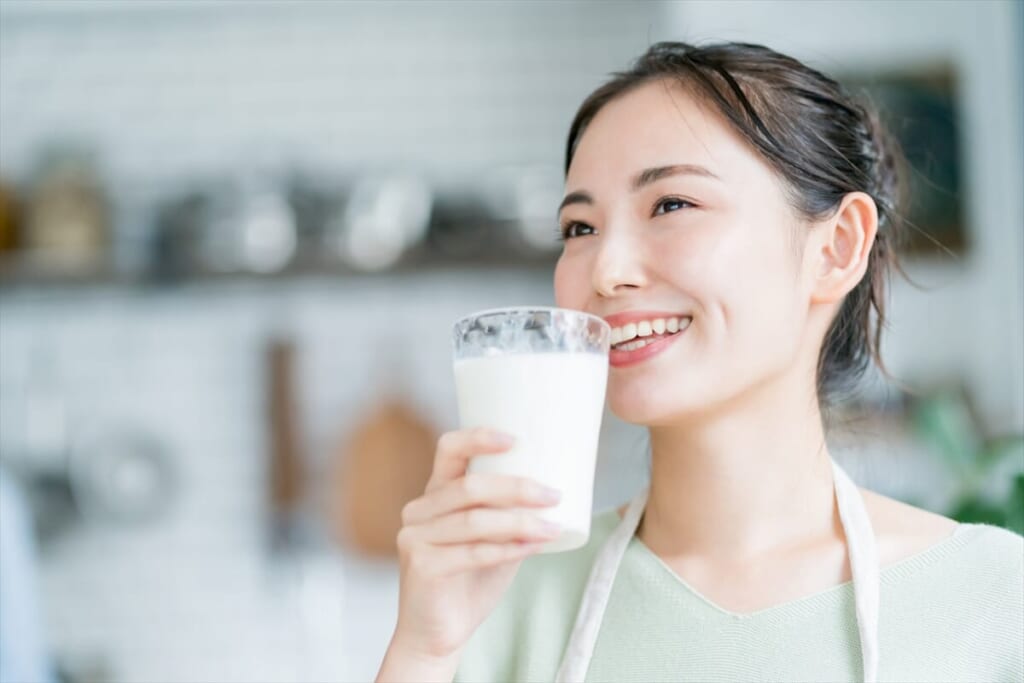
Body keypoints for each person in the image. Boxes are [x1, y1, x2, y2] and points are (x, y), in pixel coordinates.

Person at [375, 42, 1024, 682]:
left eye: (671, 205)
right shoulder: (501, 599)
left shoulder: (998, 598)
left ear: (836, 249)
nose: (607, 269)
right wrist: (423, 653)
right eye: (579, 228)